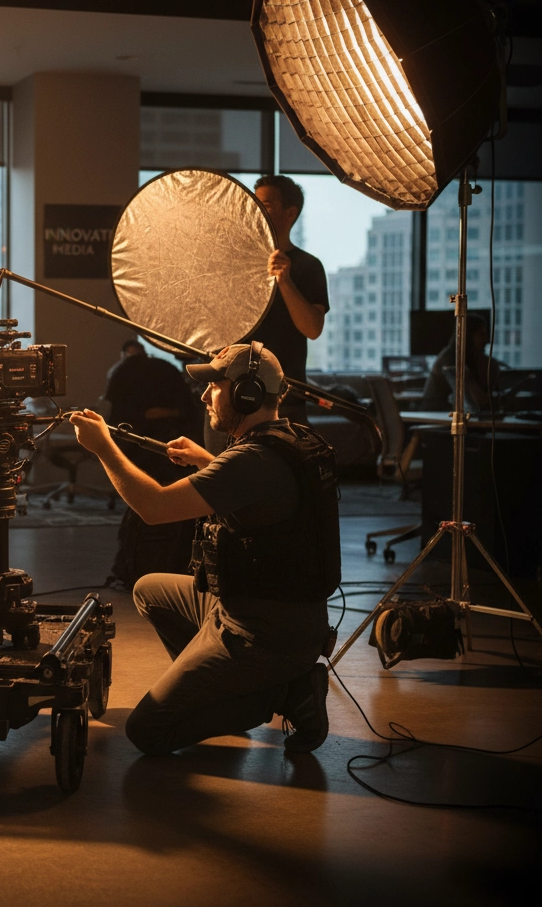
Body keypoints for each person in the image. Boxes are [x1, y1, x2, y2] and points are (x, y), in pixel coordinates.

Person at [70, 342, 339, 756]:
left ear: (243, 394)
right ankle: (225, 693)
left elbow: (154, 508)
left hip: (260, 635)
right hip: (264, 611)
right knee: (148, 589)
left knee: (147, 731)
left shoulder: (250, 461)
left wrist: (104, 446)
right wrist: (206, 462)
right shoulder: (289, 440)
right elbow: (257, 495)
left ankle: (287, 694)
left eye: (214, 386)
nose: (203, 396)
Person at [103, 338, 201, 589]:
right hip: (171, 454)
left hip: (144, 456)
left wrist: (103, 447)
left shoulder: (123, 375)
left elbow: (117, 421)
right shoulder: (165, 372)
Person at [246, 175, 330, 425]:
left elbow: (313, 329)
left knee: (281, 463)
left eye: (267, 205)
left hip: (284, 399)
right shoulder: (237, 264)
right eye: (254, 203)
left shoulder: (308, 266)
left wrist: (285, 280)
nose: (257, 210)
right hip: (232, 395)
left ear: (290, 213)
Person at [420, 314, 498, 412]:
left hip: (451, 414)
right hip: (437, 415)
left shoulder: (473, 358)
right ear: (468, 335)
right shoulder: (450, 358)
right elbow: (474, 400)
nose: (486, 340)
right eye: (481, 335)